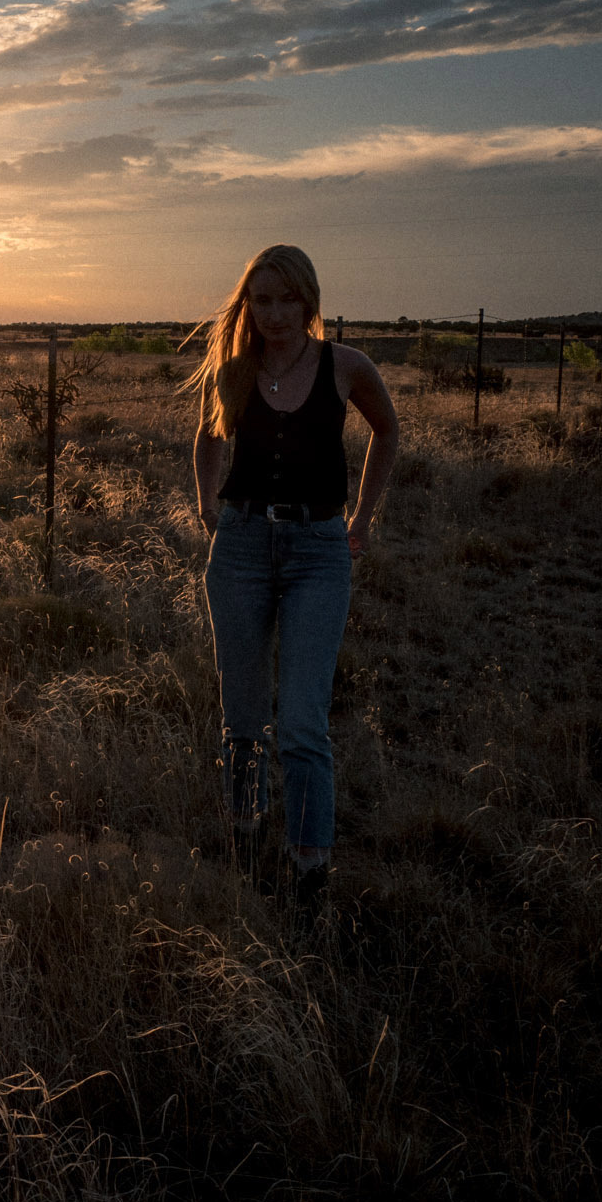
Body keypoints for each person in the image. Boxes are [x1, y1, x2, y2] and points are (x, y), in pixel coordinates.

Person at [188, 245, 398, 909]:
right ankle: (243, 838)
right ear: (247, 303)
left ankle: (309, 874)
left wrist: (362, 516)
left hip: (318, 550)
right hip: (242, 548)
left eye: (286, 299)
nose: (274, 313)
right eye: (261, 299)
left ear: (308, 300)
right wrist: (207, 504)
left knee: (303, 720)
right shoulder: (234, 371)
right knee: (242, 716)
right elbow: (207, 437)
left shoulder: (345, 367)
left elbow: (388, 432)